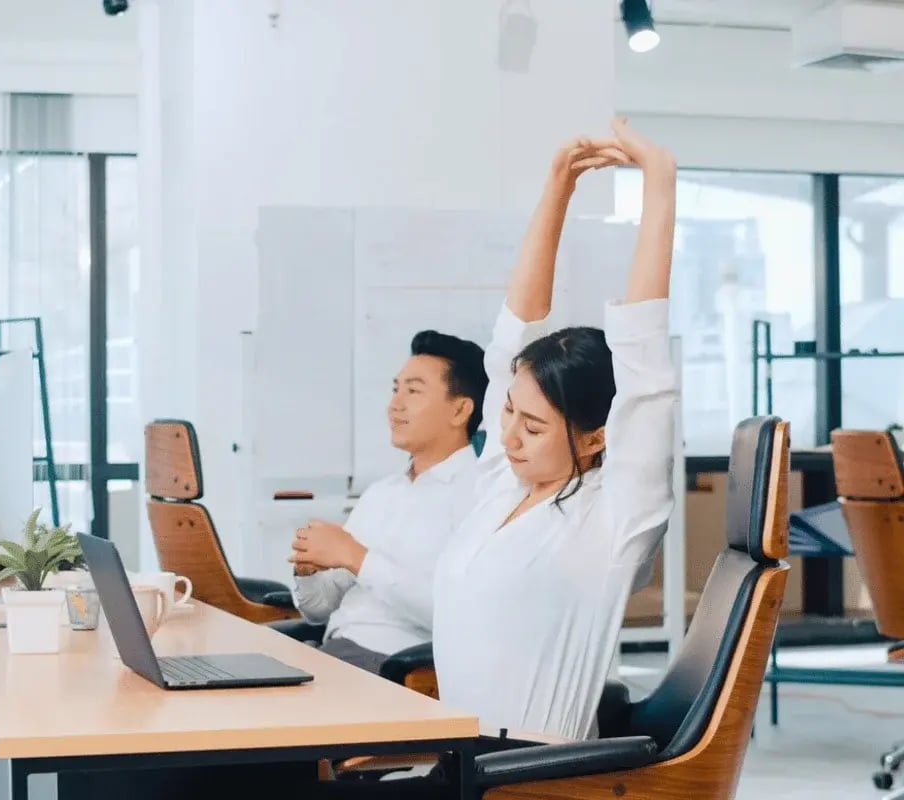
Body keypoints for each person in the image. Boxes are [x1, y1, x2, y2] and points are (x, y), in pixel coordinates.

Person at [235, 116, 678, 800]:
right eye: (507, 413)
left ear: (595, 437)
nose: (508, 437)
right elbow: (513, 336)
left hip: (522, 779)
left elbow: (645, 369)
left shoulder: (613, 521)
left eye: (533, 425)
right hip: (455, 760)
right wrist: (557, 186)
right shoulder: (502, 487)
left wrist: (660, 181)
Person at [285, 330, 488, 673]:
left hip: (391, 667)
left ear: (460, 410)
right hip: (333, 653)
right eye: (396, 389)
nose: (395, 405)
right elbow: (318, 610)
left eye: (413, 391)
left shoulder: (479, 496)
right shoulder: (381, 494)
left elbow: (457, 616)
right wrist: (307, 572)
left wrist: (355, 557)